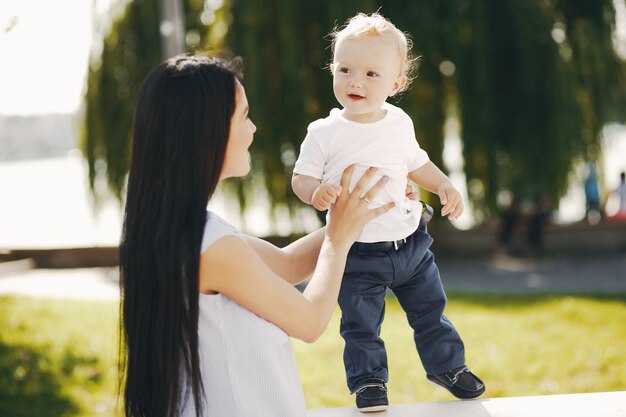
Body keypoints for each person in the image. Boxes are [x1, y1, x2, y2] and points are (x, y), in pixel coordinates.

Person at [119, 54, 395, 417]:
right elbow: (310, 321)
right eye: (244, 116)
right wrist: (339, 239)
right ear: (209, 130)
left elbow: (290, 264)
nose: (253, 129)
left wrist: (362, 212)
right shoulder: (213, 248)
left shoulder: (180, 228)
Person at [292, 12, 485, 412]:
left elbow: (416, 164)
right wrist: (317, 193)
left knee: (431, 310)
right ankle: (369, 382)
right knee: (361, 325)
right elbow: (300, 178)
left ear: (396, 84)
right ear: (332, 69)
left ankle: (447, 367)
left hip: (410, 245)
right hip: (359, 252)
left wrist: (444, 184)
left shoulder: (399, 122)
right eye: (344, 69)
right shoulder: (323, 133)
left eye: (370, 74)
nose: (355, 81)